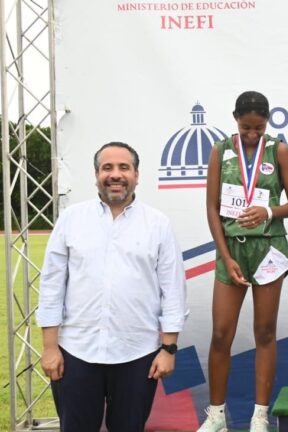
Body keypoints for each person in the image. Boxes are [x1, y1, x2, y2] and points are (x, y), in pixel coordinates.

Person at [36, 142, 188, 432]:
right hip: (75, 352)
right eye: (107, 168)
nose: (115, 175)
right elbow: (52, 285)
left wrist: (168, 348)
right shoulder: (71, 219)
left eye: (123, 168)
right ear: (96, 175)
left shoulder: (158, 224)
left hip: (137, 353)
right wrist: (49, 347)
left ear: (136, 175)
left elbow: (173, 290)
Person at [197, 91, 288, 432]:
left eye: (259, 127)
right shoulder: (220, 151)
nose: (253, 135)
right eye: (246, 128)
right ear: (235, 119)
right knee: (220, 334)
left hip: (269, 248)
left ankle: (260, 415)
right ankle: (216, 416)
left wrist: (268, 211)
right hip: (232, 251)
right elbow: (212, 208)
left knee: (265, 332)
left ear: (268, 120)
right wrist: (225, 257)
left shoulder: (279, 150)